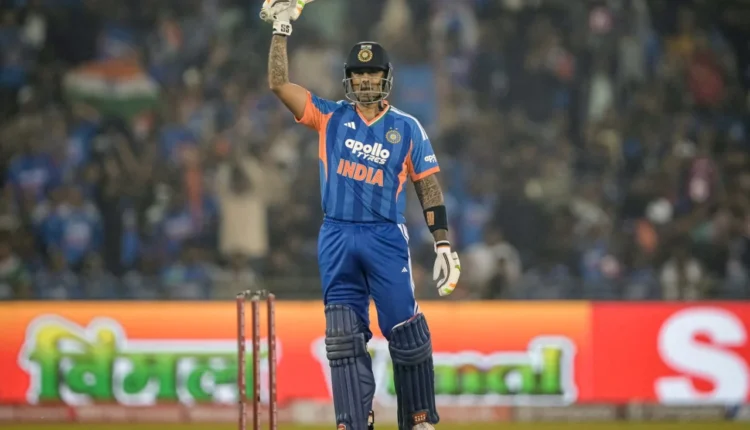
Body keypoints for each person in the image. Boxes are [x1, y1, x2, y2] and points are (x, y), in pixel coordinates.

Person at [259, 1, 461, 429]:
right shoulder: (329, 116)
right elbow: (278, 84)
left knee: (406, 332)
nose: (365, 79)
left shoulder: (408, 127)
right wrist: (281, 29)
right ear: (348, 79)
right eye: (358, 73)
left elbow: (427, 185)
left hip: (385, 237)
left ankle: (419, 418)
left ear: (385, 78)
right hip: (337, 235)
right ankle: (353, 420)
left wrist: (442, 242)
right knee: (343, 337)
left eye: (372, 73)